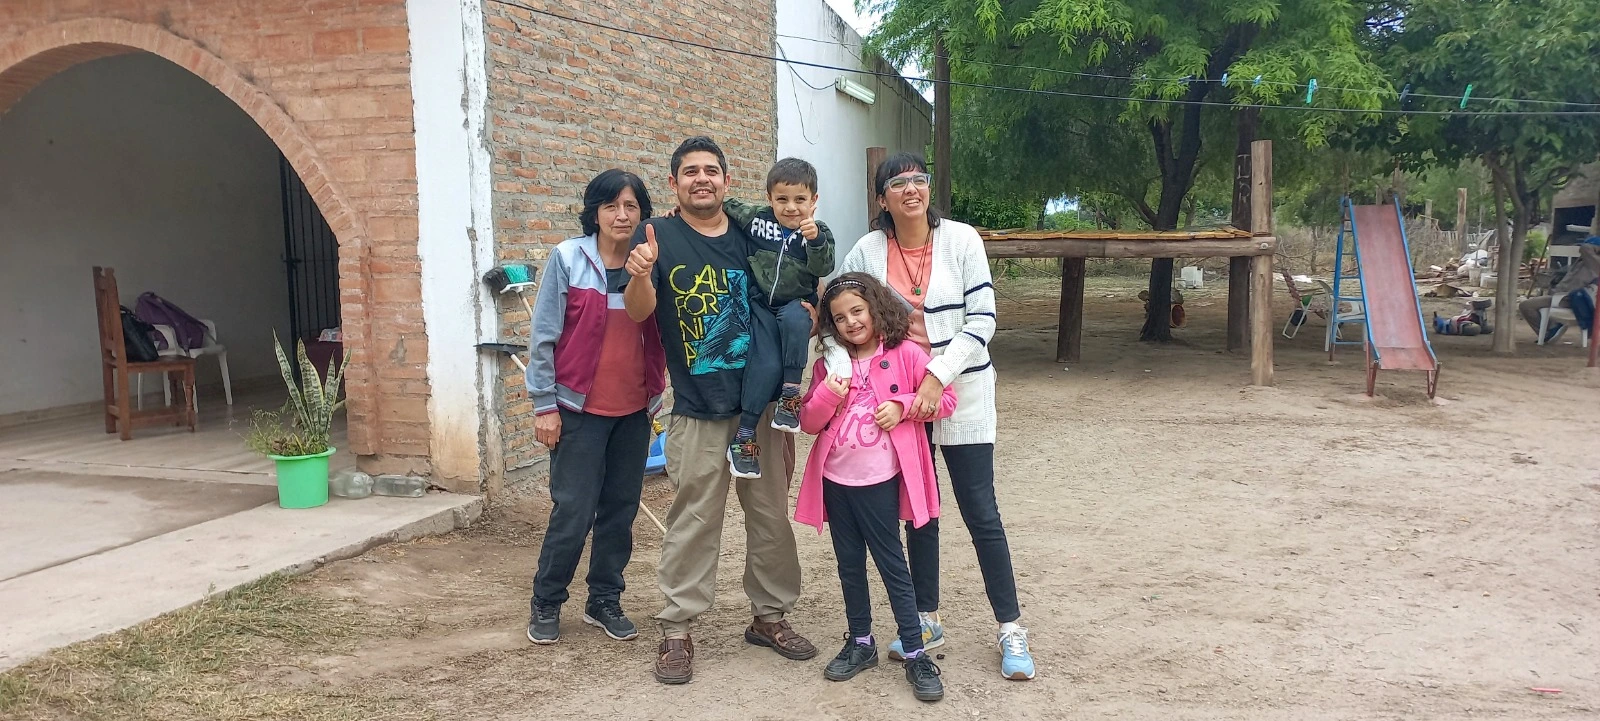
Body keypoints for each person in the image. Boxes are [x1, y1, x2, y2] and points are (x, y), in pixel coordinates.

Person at [822, 152, 1036, 680]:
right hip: (896, 402)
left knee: (980, 509)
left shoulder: (962, 239)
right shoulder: (868, 250)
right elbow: (832, 317)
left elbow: (982, 318)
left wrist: (938, 374)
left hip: (960, 389)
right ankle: (926, 618)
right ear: (882, 198)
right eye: (898, 183)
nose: (911, 189)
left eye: (919, 180)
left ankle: (1010, 628)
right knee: (920, 511)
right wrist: (840, 374)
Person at [623, 136, 816, 685]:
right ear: (675, 184)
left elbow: (794, 290)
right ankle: (678, 630)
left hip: (758, 410)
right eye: (690, 172)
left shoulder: (753, 232)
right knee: (693, 522)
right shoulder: (657, 235)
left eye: (711, 170)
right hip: (697, 409)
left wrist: (808, 312)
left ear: (728, 183)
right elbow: (640, 312)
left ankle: (770, 617)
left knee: (771, 519)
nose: (701, 179)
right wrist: (641, 271)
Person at [795, 273, 955, 702]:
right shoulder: (828, 365)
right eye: (840, 317)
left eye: (857, 311)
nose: (850, 322)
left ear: (876, 309)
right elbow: (809, 422)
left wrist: (903, 406)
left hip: (878, 483)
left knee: (892, 565)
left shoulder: (905, 354)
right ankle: (861, 642)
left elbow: (947, 398)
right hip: (835, 480)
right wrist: (829, 393)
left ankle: (915, 650)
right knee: (849, 564)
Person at [524, 169, 666, 644]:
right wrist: (545, 406)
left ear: (642, 211)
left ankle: (603, 599)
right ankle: (547, 599)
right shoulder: (568, 257)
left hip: (632, 411)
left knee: (620, 510)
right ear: (595, 212)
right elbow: (544, 336)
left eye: (630, 206)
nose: (621, 215)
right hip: (577, 411)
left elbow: (659, 327)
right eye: (611, 206)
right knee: (574, 511)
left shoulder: (651, 261)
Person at [722, 158, 836, 479]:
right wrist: (681, 213)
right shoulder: (756, 218)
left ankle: (790, 395)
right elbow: (723, 203)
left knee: (800, 319)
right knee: (766, 364)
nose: (790, 208)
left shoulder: (819, 232)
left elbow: (823, 267)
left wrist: (814, 240)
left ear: (813, 200)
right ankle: (744, 437)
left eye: (800, 200)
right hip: (759, 305)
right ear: (769, 197)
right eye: (782, 199)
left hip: (794, 303)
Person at [1518, 240, 1600, 341]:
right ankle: (1551, 329)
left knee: (1526, 306)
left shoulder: (1594, 262)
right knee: (1528, 305)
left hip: (1570, 299)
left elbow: (1585, 248)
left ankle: (1550, 330)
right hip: (1564, 297)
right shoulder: (1584, 262)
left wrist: (1594, 246)